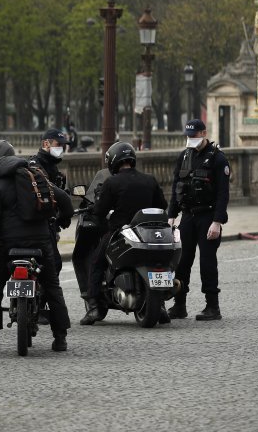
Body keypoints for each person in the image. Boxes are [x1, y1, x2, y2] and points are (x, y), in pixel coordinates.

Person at [0, 139, 73, 352]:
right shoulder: (36, 176)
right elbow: (64, 200)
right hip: (41, 243)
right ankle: (60, 338)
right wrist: (62, 220)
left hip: (9, 246)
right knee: (53, 287)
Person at [80, 141, 168, 325]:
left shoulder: (112, 182)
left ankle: (95, 307)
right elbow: (162, 206)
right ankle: (161, 306)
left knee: (96, 262)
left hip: (121, 233)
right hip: (149, 233)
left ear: (113, 161)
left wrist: (95, 211)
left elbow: (100, 211)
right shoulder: (149, 180)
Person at [166, 119, 230, 321]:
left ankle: (212, 306)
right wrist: (170, 215)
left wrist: (217, 222)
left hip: (208, 216)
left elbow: (223, 194)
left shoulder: (218, 159)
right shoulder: (184, 156)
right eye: (188, 136)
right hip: (188, 215)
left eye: (194, 136)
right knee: (182, 261)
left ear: (203, 133)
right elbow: (177, 187)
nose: (191, 139)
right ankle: (179, 305)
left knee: (207, 262)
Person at [28, 129, 69, 322]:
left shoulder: (54, 169)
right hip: (38, 224)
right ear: (46, 144)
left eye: (63, 146)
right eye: (58, 145)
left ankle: (39, 304)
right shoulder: (36, 166)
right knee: (51, 264)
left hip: (50, 224)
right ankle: (39, 306)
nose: (61, 149)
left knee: (51, 265)